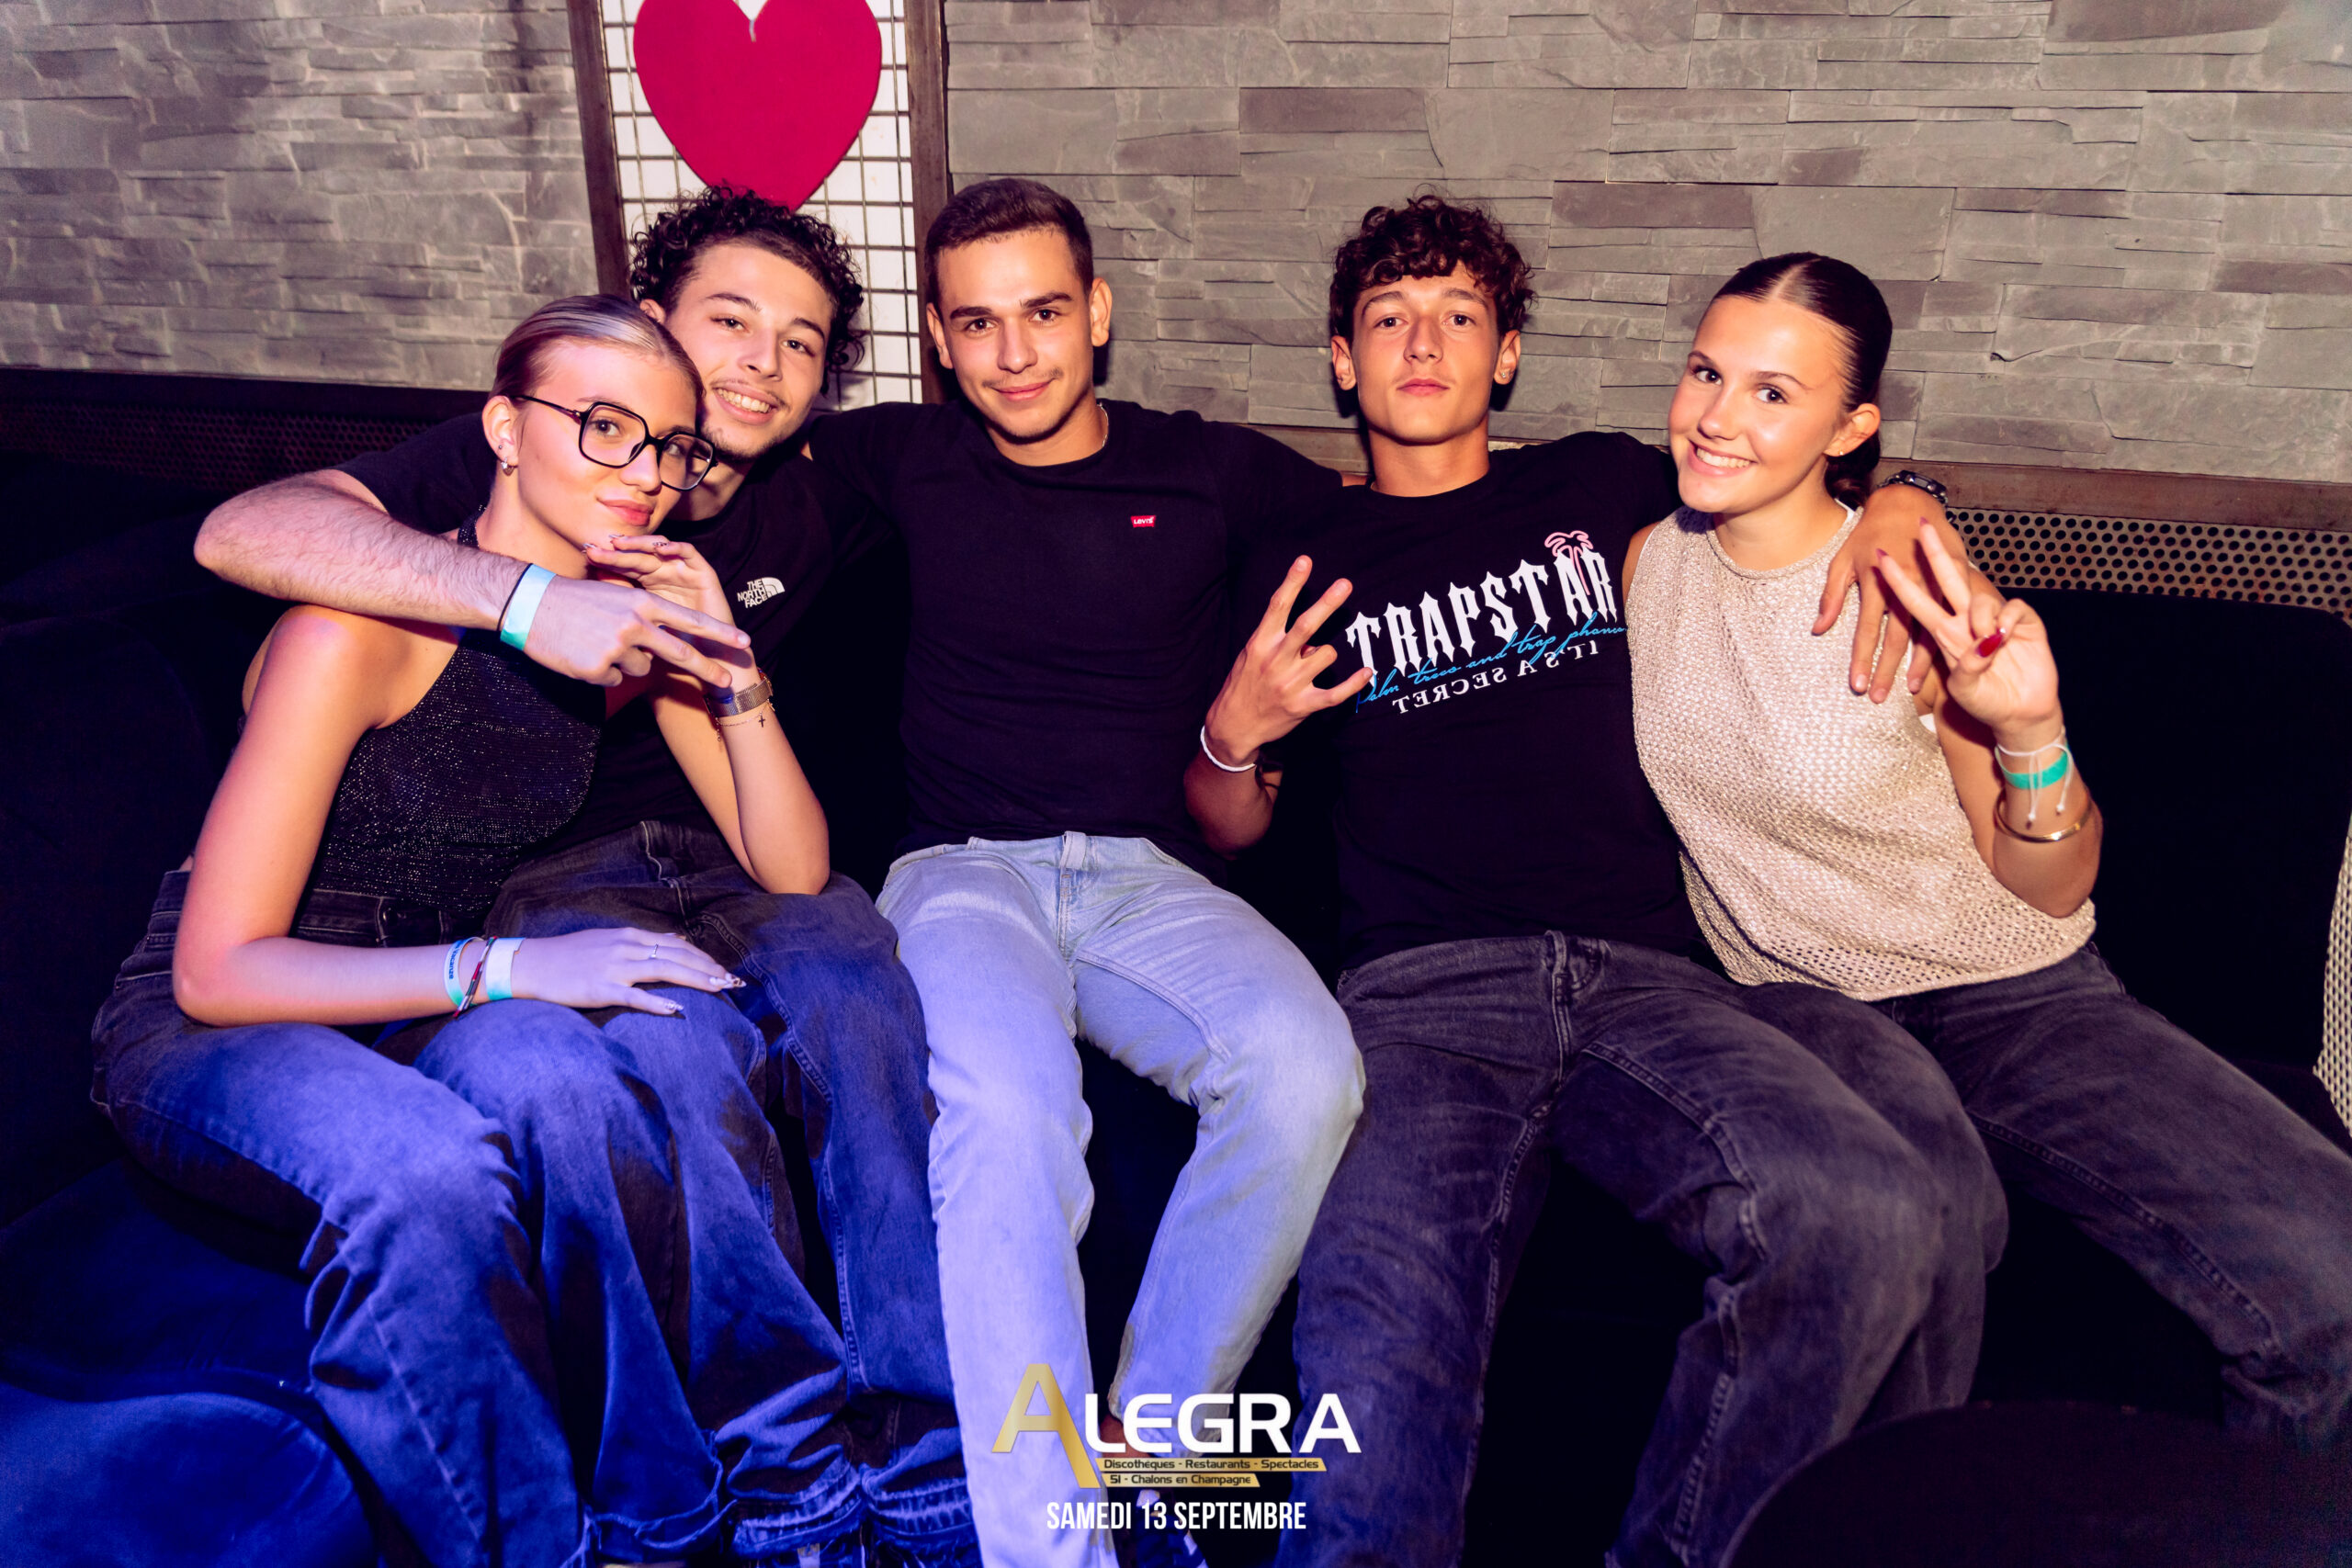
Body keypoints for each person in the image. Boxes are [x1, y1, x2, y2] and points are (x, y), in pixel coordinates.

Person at [1187, 196, 2005, 1568]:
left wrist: (1903, 498)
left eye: (1459, 315)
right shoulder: (1299, 553)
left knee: (1867, 1208)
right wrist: (1233, 731)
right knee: (1374, 1372)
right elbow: (1228, 826)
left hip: (1649, 980)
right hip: (1425, 997)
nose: (1424, 343)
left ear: (1507, 353)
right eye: (1389, 318)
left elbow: (1794, 471)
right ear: (1341, 358)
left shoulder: (1603, 485)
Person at [191, 188, 978, 1564]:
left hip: (585, 903)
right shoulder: (486, 500)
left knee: (851, 994)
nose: (758, 365)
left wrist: (728, 664)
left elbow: (794, 861)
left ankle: (923, 1468)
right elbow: (243, 538)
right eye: (728, 322)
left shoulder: (720, 547)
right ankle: (742, 1492)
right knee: (626, 1068)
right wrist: (527, 602)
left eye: (799, 343)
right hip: (466, 917)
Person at [94, 296, 853, 1566]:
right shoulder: (356, 621)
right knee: (427, 1168)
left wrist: (729, 663)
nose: (644, 473)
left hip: (418, 994)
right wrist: (512, 967)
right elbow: (216, 970)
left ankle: (668, 1524)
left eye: (670, 446)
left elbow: (795, 866)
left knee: (580, 1082)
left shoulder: (623, 630)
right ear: (503, 429)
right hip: (214, 1012)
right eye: (603, 427)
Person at [1622, 251, 2352, 1464]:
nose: (1716, 416)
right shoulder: (1646, 565)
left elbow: (2050, 885)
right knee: (1919, 1235)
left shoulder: (1917, 584)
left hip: (2020, 996)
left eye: (1773, 392)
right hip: (1800, 1009)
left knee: (2332, 1275)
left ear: (1850, 429)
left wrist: (2032, 731)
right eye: (1707, 372)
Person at [797, 176, 1365, 1568]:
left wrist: (1876, 501)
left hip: (1146, 882)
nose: (1014, 354)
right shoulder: (902, 458)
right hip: (961, 873)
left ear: (1098, 313)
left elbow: (1405, 516)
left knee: (1308, 1071)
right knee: (1006, 1108)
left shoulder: (1205, 470)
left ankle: (1149, 1445)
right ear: (940, 340)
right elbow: (717, 444)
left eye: (1044, 313)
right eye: (977, 324)